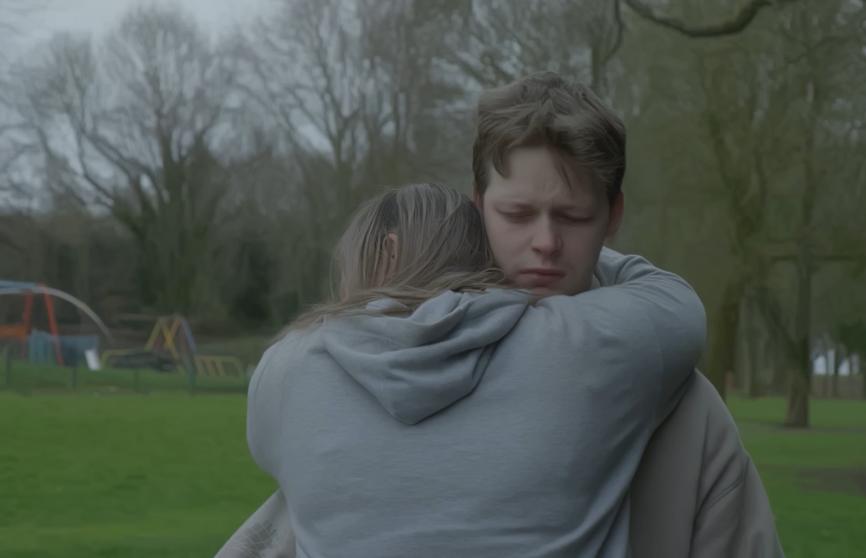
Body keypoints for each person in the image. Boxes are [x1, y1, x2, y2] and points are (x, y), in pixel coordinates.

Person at [221, 182, 706, 557]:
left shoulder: (290, 367)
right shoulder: (577, 343)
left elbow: (272, 454)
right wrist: (545, 246)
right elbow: (674, 301)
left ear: (387, 253)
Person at [471, 72, 784, 557]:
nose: (546, 243)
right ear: (478, 206)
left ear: (612, 216)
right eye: (516, 214)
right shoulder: (402, 371)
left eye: (573, 217)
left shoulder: (685, 408)